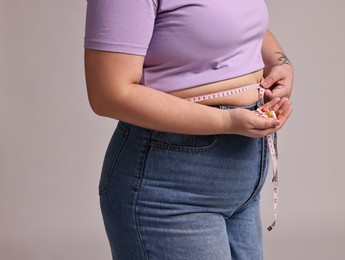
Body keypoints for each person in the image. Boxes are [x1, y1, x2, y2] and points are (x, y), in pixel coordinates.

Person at [84, 0, 293, 259]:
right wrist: (227, 122)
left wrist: (279, 62)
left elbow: (239, 26)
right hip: (171, 189)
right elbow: (108, 94)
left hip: (244, 180)